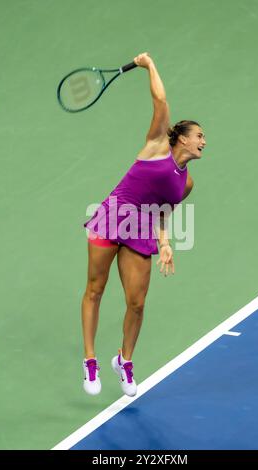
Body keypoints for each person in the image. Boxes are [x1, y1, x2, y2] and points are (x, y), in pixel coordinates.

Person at [81, 52, 206, 397]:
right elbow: (161, 100)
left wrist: (165, 242)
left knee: (136, 303)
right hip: (111, 217)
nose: (203, 142)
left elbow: (163, 210)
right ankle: (90, 361)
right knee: (95, 288)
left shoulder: (187, 183)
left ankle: (124, 360)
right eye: (199, 136)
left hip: (140, 230)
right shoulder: (156, 145)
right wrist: (149, 65)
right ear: (182, 137)